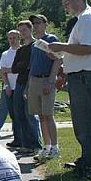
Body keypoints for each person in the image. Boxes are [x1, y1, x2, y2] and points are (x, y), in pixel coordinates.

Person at [49, 0, 91, 180]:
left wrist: (60, 46)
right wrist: (63, 58)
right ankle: (87, 159)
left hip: (86, 76)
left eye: (67, 3)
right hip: (80, 75)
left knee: (88, 122)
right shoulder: (83, 19)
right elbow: (80, 51)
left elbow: (88, 48)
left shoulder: (89, 17)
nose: (66, 8)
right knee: (82, 123)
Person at [28, 14, 61, 161]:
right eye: (34, 23)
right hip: (34, 81)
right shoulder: (35, 44)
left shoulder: (51, 39)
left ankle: (55, 147)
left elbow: (58, 59)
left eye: (39, 23)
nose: (36, 26)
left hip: (46, 80)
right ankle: (46, 147)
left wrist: (50, 80)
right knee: (40, 116)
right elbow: (32, 65)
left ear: (45, 24)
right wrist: (27, 85)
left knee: (48, 115)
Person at [11, 20, 42, 155]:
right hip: (19, 83)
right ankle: (26, 144)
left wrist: (23, 65)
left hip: (31, 82)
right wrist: (24, 65)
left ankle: (36, 145)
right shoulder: (21, 49)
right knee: (19, 113)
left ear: (30, 29)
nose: (22, 33)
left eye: (24, 30)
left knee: (30, 114)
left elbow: (32, 66)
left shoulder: (36, 46)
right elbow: (14, 68)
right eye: (20, 31)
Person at [0, 30, 20, 143]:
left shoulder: (22, 51)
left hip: (20, 86)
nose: (12, 40)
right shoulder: (5, 54)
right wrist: (7, 85)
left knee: (18, 110)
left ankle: (17, 131)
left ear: (19, 38)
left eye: (14, 38)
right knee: (3, 108)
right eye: (10, 38)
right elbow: (2, 71)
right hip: (8, 86)